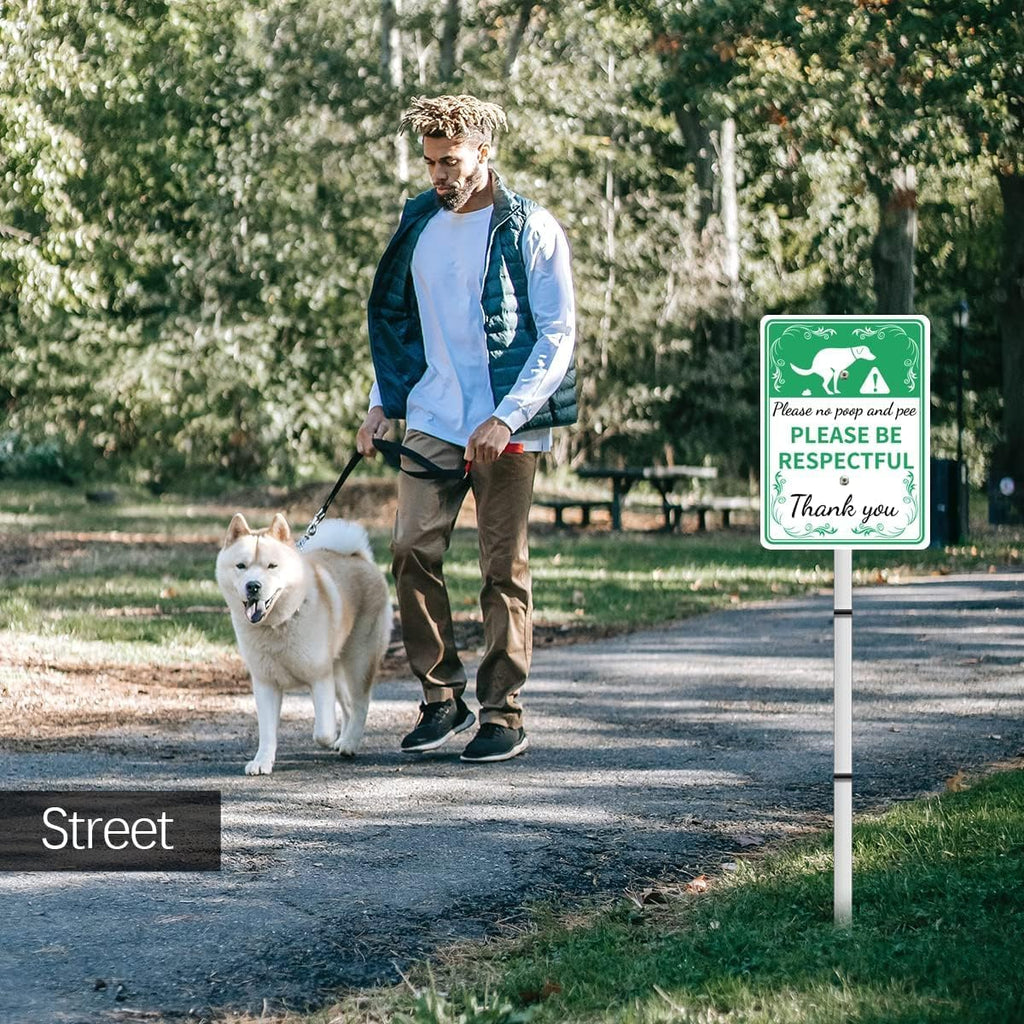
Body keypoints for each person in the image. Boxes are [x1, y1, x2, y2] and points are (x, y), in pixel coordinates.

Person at [356, 94, 577, 763]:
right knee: (410, 551)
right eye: (430, 163)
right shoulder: (419, 222)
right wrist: (381, 398)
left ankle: (503, 712)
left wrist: (506, 416)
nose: (439, 175)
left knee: (500, 568)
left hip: (506, 423)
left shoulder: (531, 228)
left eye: (450, 161)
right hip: (431, 412)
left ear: (485, 153)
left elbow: (559, 335)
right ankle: (440, 697)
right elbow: (402, 324)